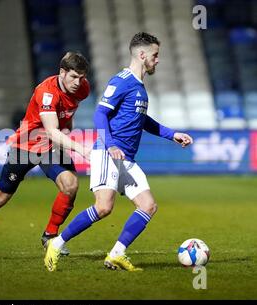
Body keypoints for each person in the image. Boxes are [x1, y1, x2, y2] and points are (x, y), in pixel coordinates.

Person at [44, 32, 194, 272]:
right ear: (142, 55)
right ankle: (56, 243)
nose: (158, 60)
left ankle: (116, 254)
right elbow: (99, 114)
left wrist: (172, 134)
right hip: (108, 153)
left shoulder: (139, 87)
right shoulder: (122, 80)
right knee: (103, 207)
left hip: (126, 158)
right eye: (155, 55)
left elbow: (142, 120)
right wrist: (110, 144)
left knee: (148, 206)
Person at [0, 52, 91, 261]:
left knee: (70, 186)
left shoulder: (82, 88)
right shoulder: (46, 93)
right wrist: (81, 149)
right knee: (0, 198)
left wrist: (68, 132)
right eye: (73, 77)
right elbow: (52, 130)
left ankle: (50, 235)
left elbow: (67, 115)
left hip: (51, 147)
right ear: (61, 73)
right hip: (26, 146)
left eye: (82, 77)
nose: (78, 83)